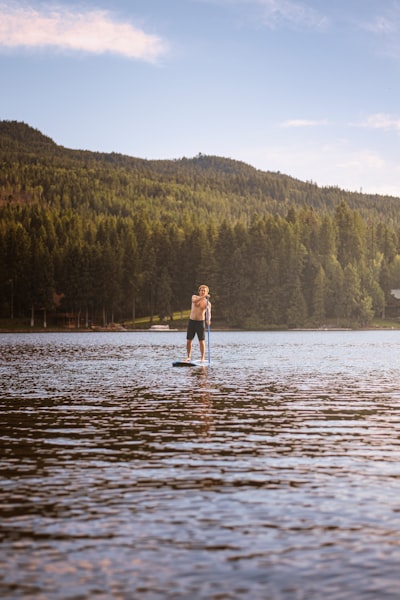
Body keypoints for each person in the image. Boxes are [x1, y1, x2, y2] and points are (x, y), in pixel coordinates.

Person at [185, 285, 211, 362]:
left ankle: (202, 358)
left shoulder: (207, 303)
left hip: (200, 322)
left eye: (204, 291)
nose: (202, 292)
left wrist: (208, 320)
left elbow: (208, 313)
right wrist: (204, 296)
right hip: (192, 321)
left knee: (201, 341)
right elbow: (194, 301)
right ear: (199, 291)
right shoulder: (194, 297)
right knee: (189, 340)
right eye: (201, 290)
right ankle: (188, 357)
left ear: (207, 292)